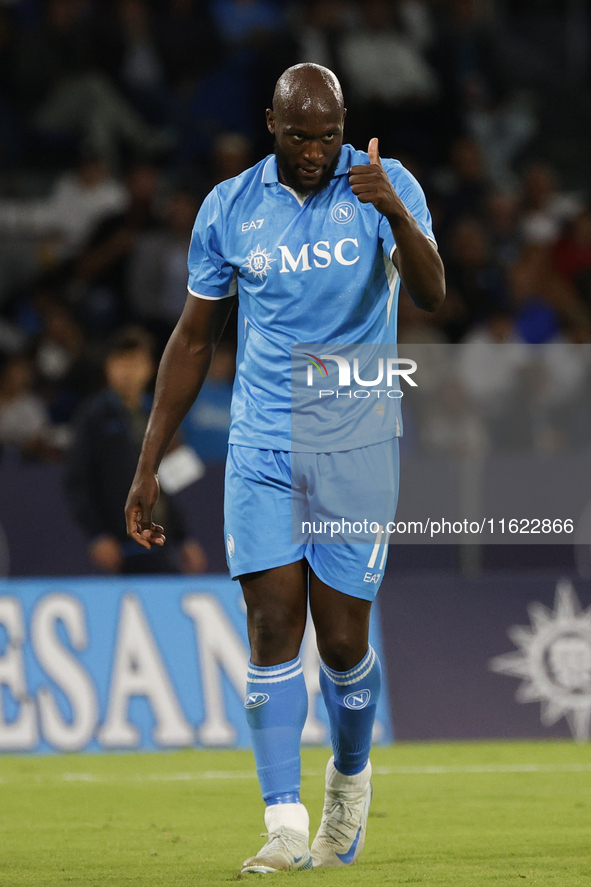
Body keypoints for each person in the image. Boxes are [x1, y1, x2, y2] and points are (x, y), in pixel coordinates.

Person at [125, 63, 444, 872]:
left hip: (358, 443)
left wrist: (393, 211)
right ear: (271, 122)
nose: (315, 151)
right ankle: (284, 823)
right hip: (263, 443)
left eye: (328, 136)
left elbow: (436, 294)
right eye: (299, 135)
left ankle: (349, 778)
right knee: (272, 625)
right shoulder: (229, 207)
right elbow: (194, 338)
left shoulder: (383, 184)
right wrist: (148, 458)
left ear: (346, 126)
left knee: (341, 643)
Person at [66, 326, 206, 575]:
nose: (127, 371)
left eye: (134, 362)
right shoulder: (93, 417)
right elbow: (76, 483)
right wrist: (97, 535)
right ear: (107, 367)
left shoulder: (160, 416)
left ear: (150, 368)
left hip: (162, 546)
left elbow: (170, 484)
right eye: (120, 361)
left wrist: (185, 538)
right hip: (120, 549)